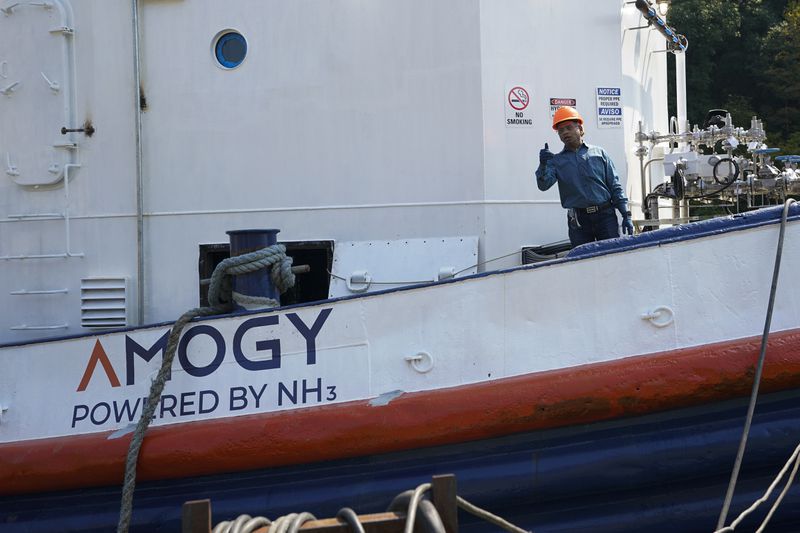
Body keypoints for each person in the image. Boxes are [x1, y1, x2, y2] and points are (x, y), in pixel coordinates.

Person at [535, 106, 634, 247]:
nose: (565, 133)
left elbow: (615, 186)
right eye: (561, 130)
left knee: (611, 259)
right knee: (582, 264)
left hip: (605, 217)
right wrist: (543, 165)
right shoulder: (555, 161)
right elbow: (543, 186)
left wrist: (626, 214)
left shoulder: (599, 154)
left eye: (569, 127)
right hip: (578, 221)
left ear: (580, 129)